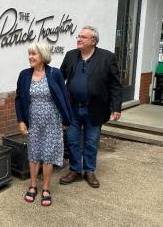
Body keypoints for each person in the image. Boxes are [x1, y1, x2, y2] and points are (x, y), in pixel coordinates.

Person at [59, 26, 122, 188]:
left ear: (93, 41)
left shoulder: (107, 58)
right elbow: (60, 79)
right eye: (79, 36)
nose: (79, 39)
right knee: (72, 140)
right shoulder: (71, 55)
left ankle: (89, 171)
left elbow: (115, 85)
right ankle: (75, 170)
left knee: (91, 142)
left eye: (83, 37)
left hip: (94, 108)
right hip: (72, 108)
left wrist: (116, 107)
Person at [15, 43, 72, 206]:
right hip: (33, 121)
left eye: (34, 54)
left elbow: (64, 97)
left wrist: (66, 119)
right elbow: (18, 99)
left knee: (48, 154)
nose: (30, 57)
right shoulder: (24, 75)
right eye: (30, 54)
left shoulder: (55, 73)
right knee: (33, 153)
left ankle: (46, 188)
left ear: (43, 56)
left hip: (52, 121)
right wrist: (21, 121)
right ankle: (33, 186)